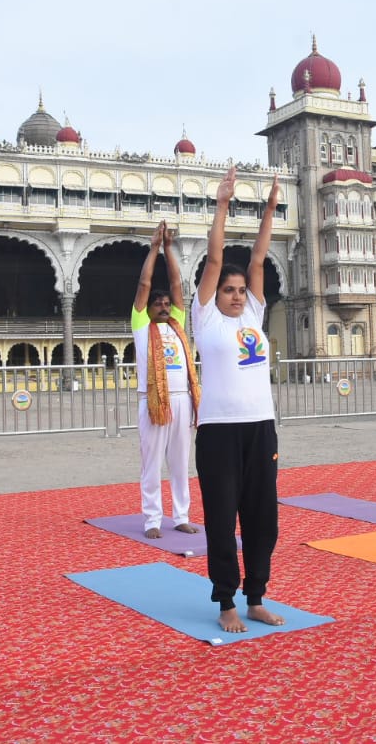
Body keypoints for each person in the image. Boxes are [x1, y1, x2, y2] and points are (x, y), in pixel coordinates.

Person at [192, 166, 285, 633]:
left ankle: (256, 596)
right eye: (227, 290)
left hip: (259, 426)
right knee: (222, 518)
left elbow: (259, 258)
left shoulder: (253, 311)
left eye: (239, 290)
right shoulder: (206, 320)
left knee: (262, 519)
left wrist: (269, 209)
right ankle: (225, 598)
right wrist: (223, 205)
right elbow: (215, 261)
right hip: (218, 433)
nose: (235, 295)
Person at [131, 220, 200, 538]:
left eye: (166, 304)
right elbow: (145, 285)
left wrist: (171, 249)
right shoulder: (142, 327)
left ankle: (181, 515)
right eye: (157, 304)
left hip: (182, 400)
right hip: (153, 402)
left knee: (180, 462)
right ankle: (152, 520)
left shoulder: (177, 325)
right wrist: (154, 247)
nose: (162, 305)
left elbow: (177, 284)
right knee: (153, 463)